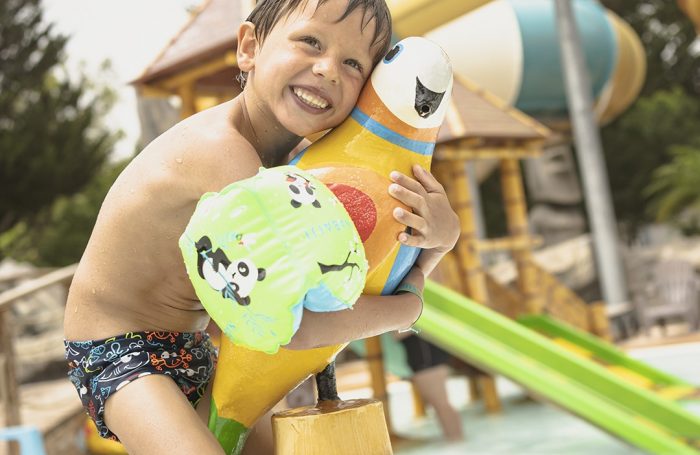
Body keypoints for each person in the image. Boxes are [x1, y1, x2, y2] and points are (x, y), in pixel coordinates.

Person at [63, 0, 460, 453]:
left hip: (195, 346)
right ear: (249, 48)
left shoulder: (299, 167)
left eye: (353, 64)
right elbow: (295, 329)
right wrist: (408, 308)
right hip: (118, 350)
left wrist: (439, 239)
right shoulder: (224, 154)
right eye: (310, 42)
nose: (328, 69)